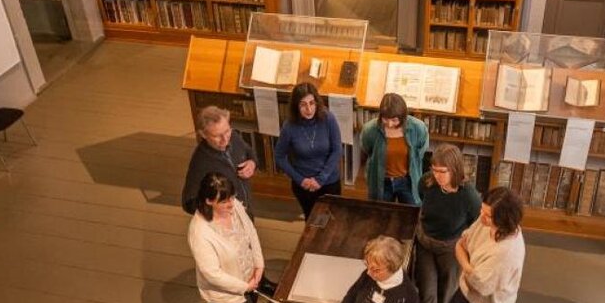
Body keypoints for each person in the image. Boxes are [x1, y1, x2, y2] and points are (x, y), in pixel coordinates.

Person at [187, 172, 270, 303]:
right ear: (208, 201)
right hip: (227, 295)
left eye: (232, 197)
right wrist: (245, 286)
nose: (231, 204)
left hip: (250, 280)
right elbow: (211, 273)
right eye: (224, 201)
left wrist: (259, 265)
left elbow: (251, 233)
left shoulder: (235, 207)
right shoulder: (200, 232)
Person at [413, 144, 481, 303]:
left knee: (448, 293)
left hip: (451, 248)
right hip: (425, 242)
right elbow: (422, 198)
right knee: (427, 291)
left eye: (442, 171)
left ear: (455, 169)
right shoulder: (427, 182)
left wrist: (466, 251)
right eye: (434, 170)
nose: (437, 175)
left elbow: (475, 224)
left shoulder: (468, 196)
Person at [273, 82, 342, 218]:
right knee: (311, 220)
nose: (309, 109)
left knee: (333, 220)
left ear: (317, 102)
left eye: (312, 103)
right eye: (303, 104)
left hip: (329, 181)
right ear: (296, 106)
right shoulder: (289, 126)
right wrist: (300, 180)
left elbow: (337, 150)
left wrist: (320, 179)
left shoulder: (328, 118)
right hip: (304, 186)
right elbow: (279, 156)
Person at [182, 105, 257, 217]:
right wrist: (217, 211)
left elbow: (249, 152)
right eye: (217, 136)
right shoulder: (200, 162)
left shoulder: (234, 137)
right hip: (227, 218)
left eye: (227, 131)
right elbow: (188, 202)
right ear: (203, 135)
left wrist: (252, 163)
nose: (225, 139)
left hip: (245, 212)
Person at [359, 93, 428, 205]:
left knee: (412, 212)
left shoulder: (418, 128)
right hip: (382, 181)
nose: (390, 124)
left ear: (403, 116)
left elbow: (420, 151)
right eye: (385, 119)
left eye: (394, 120)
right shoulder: (370, 130)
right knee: (381, 212)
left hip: (408, 181)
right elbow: (367, 149)